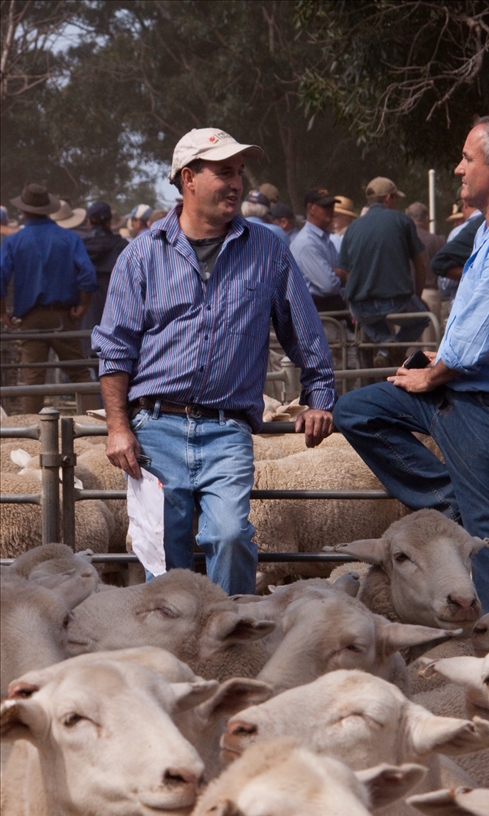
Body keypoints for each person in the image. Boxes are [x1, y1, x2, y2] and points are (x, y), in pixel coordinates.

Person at [333, 114, 489, 614]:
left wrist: (434, 371)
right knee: (358, 410)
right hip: (464, 389)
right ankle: (452, 504)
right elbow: (474, 330)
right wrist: (435, 362)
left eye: (468, 158)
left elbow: (482, 340)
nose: (459, 168)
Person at [92, 127, 336, 595]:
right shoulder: (141, 255)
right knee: (167, 554)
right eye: (224, 172)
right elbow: (115, 346)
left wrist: (319, 396)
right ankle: (175, 656)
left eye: (239, 173)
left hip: (227, 428)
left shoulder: (267, 249)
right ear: (189, 179)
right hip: (156, 429)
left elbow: (303, 331)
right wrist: (118, 426)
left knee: (229, 535)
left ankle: (233, 637)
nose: (237, 184)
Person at [0, 182, 97, 413]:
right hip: (63, 316)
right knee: (79, 372)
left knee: (33, 379)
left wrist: (3, 313)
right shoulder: (69, 238)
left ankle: (29, 436)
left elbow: (0, 277)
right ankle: (95, 428)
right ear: (49, 208)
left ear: (23, 210)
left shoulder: (14, 241)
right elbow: (88, 274)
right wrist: (83, 305)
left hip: (30, 319)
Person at [338, 176, 428, 367]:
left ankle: (384, 346)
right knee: (423, 316)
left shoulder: (352, 228)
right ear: (388, 198)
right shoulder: (402, 221)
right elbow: (420, 265)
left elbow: (345, 273)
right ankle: (392, 348)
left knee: (368, 320)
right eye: (396, 198)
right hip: (396, 301)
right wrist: (417, 297)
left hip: (360, 307)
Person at [290, 188, 347, 312]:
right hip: (318, 313)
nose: (330, 210)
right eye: (325, 206)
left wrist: (341, 275)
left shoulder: (324, 239)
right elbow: (329, 286)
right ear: (311, 208)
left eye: (331, 206)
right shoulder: (306, 242)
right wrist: (342, 276)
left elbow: (343, 274)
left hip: (328, 310)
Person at [81, 201, 129, 348]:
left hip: (85, 318)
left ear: (88, 222)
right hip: (116, 320)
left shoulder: (79, 247)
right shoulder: (123, 246)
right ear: (109, 222)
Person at [432, 198, 483, 320]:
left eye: (457, 220)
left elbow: (445, 284)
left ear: (464, 205)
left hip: (463, 306)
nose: (455, 224)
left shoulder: (457, 233)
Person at [404, 201, 445, 320]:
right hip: (430, 294)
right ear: (426, 219)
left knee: (406, 338)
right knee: (431, 338)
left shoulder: (400, 239)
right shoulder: (437, 240)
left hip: (405, 295)